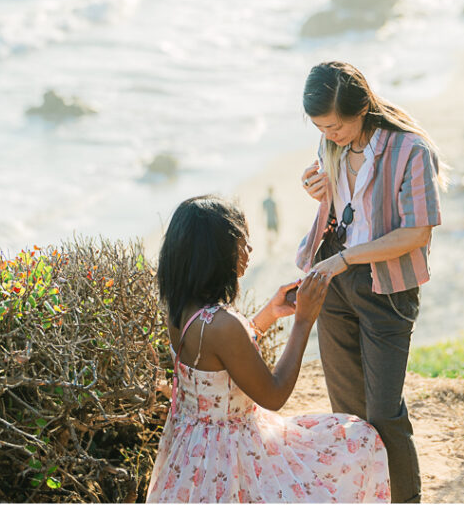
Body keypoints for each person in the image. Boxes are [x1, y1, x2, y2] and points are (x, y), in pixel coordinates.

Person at [147, 195, 390, 503]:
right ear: (216, 252)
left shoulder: (181, 309)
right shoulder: (224, 325)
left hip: (195, 449)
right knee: (359, 437)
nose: (249, 251)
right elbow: (274, 395)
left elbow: (218, 359)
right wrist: (303, 321)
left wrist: (269, 314)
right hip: (233, 451)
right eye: (243, 242)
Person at [297, 62, 446, 503]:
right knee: (347, 409)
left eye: (337, 125)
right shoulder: (330, 143)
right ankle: (363, 497)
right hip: (332, 276)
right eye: (321, 127)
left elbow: (417, 232)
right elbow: (339, 208)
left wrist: (347, 259)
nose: (330, 133)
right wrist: (316, 189)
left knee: (383, 411)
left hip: (387, 286)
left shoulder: (410, 151)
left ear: (362, 107)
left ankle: (405, 502)